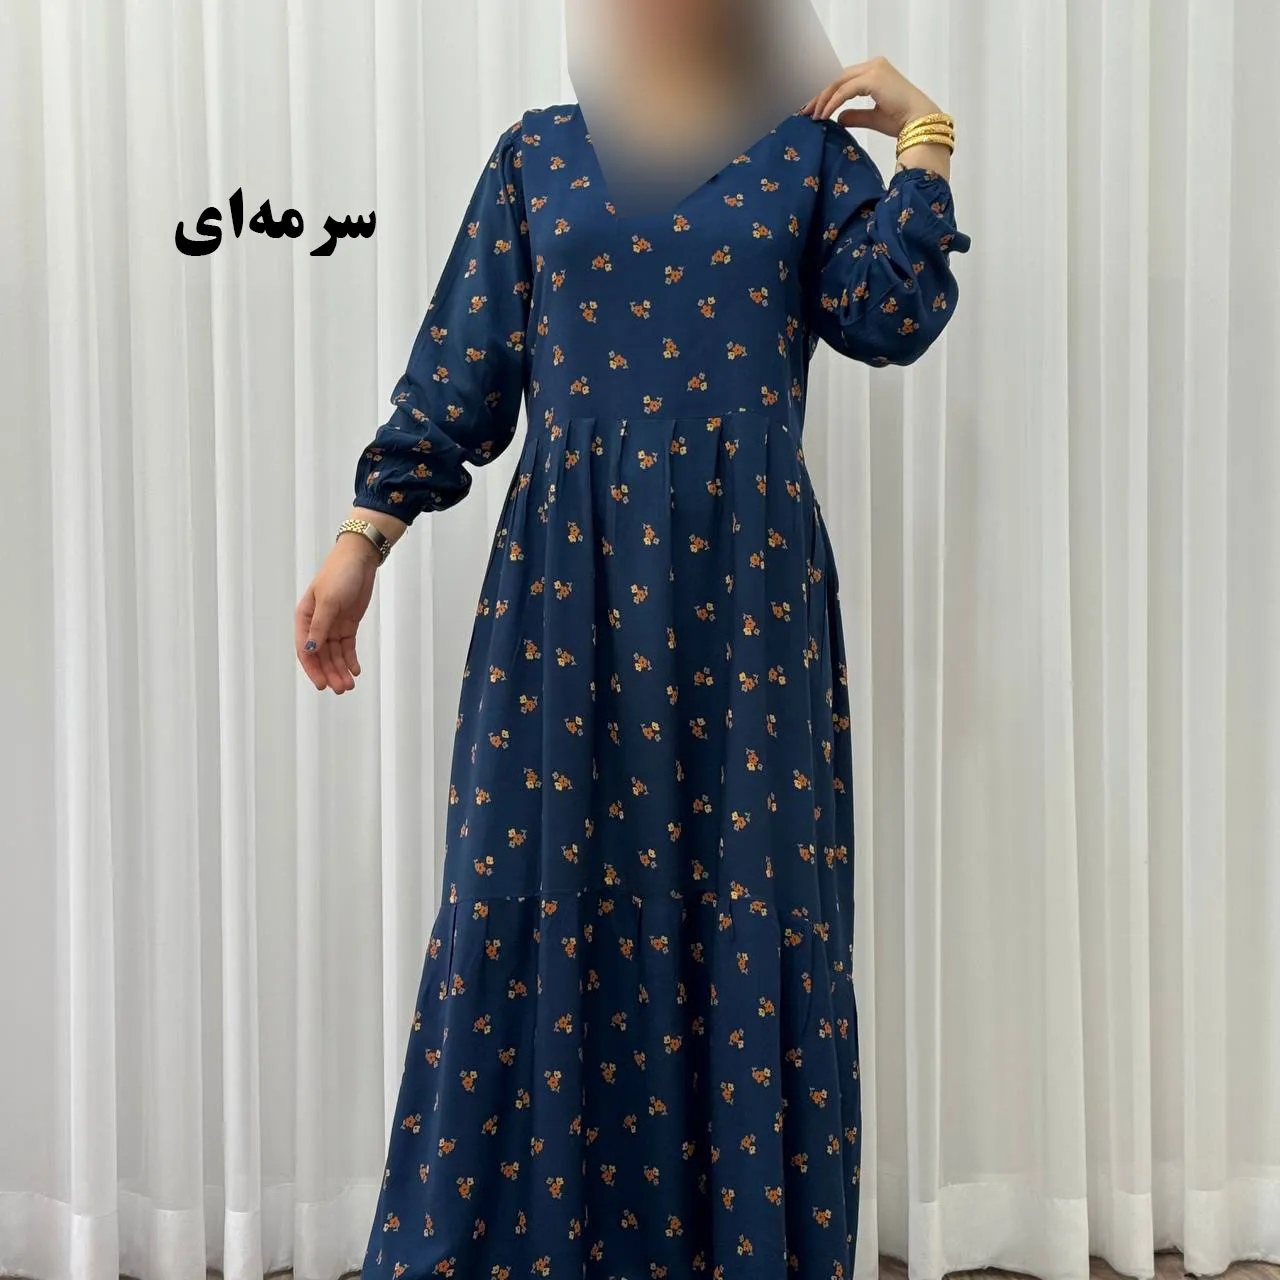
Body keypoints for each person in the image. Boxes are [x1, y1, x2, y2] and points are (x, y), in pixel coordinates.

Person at [294, 6, 969, 1274]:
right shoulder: (537, 154)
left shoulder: (805, 156)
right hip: (565, 593)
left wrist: (922, 135)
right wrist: (362, 537)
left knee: (746, 902)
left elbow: (890, 315)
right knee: (527, 888)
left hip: (747, 600)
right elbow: (460, 371)